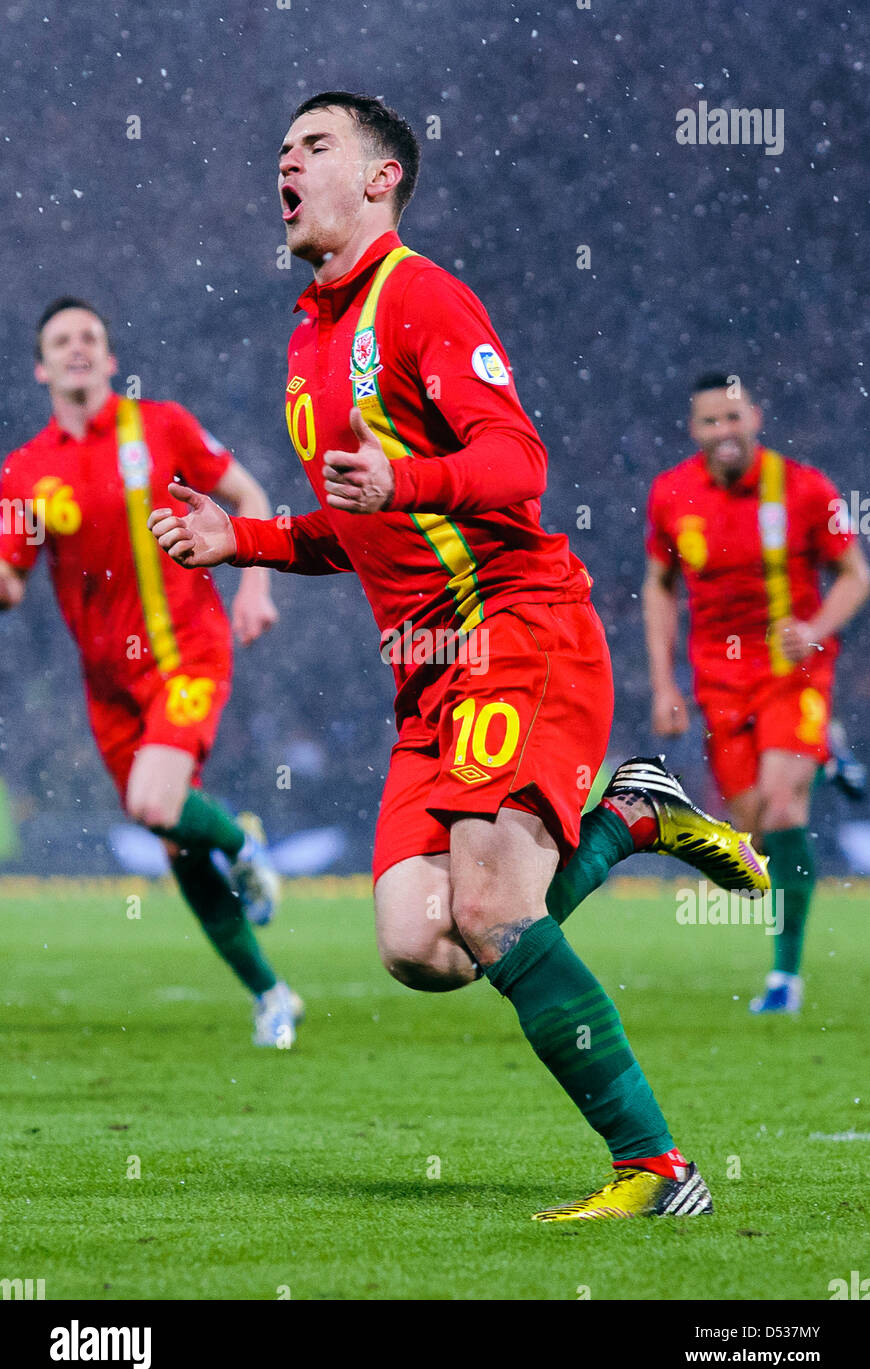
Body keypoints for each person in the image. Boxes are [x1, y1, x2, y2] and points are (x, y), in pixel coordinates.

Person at [150, 93, 768, 1221]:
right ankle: (630, 817)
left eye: (314, 145)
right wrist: (235, 536)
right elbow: (361, 525)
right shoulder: (307, 344)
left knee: (488, 908)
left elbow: (516, 461)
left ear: (381, 179)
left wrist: (409, 479)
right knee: (419, 944)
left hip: (516, 623)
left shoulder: (422, 297)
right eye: (280, 147)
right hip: (426, 674)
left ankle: (658, 1168)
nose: (284, 160)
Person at [0, 297, 303, 1048]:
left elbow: (250, 497)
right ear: (41, 366)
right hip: (108, 688)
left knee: (155, 801)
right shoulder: (26, 472)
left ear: (108, 358)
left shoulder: (160, 424)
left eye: (91, 337)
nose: (78, 348)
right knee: (172, 840)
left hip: (186, 654)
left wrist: (256, 583)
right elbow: (10, 583)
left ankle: (243, 840)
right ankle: (272, 994)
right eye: (62, 340)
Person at [643, 372, 869, 1013]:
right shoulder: (672, 493)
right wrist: (664, 684)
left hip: (793, 674)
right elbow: (661, 586)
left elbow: (854, 574)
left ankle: (785, 979)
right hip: (719, 682)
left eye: (734, 418)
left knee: (779, 808)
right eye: (711, 422)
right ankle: (827, 755)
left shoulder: (804, 488)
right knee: (751, 837)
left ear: (756, 417)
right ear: (694, 431)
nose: (725, 432)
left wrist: (818, 628)